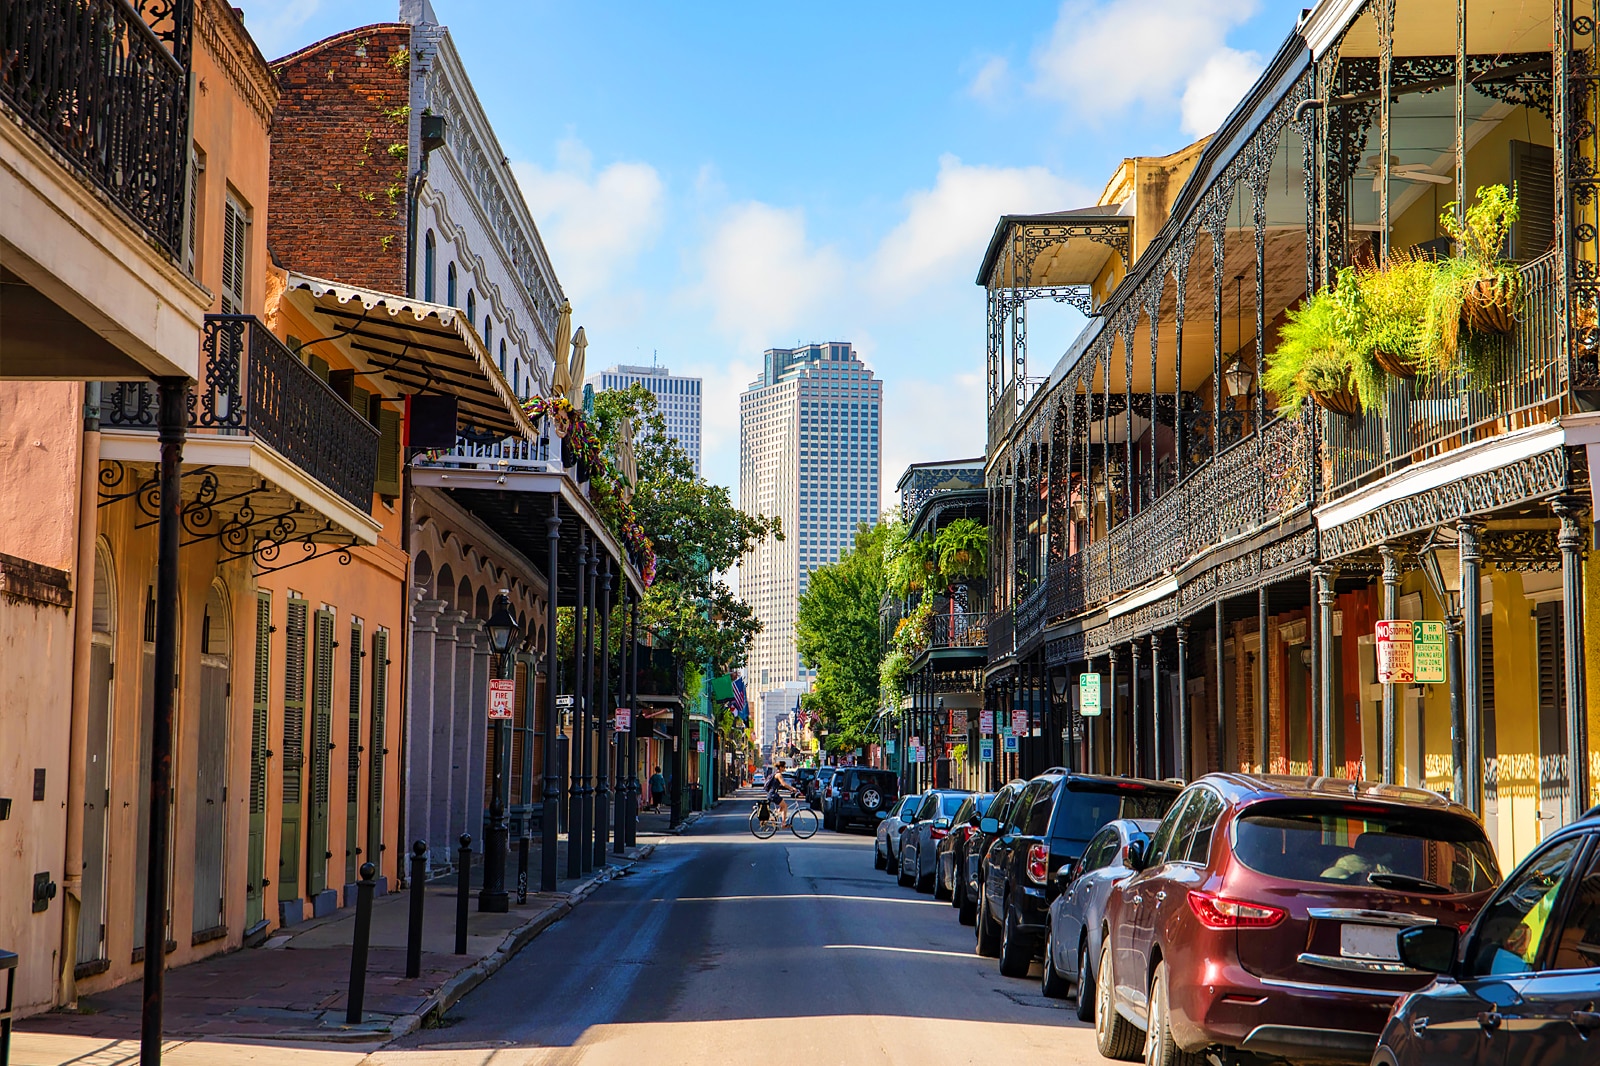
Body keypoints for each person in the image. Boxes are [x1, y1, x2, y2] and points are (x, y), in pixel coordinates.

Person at [766, 760, 794, 825]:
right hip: (773, 794)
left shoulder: (776, 773)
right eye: (784, 767)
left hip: (772, 794)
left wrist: (789, 789)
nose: (785, 768)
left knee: (782, 806)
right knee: (785, 806)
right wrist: (792, 788)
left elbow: (780, 785)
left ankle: (774, 817)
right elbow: (783, 784)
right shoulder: (778, 775)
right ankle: (783, 824)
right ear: (781, 767)